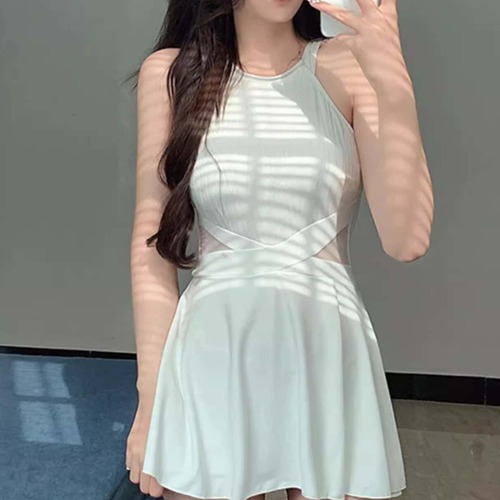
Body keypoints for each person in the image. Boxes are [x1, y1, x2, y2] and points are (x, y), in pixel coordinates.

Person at [126, 0, 434, 499]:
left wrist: (393, 82)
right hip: (213, 355)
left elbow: (407, 241)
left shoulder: (348, 66)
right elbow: (152, 246)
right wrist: (150, 400)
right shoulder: (172, 74)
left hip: (327, 352)